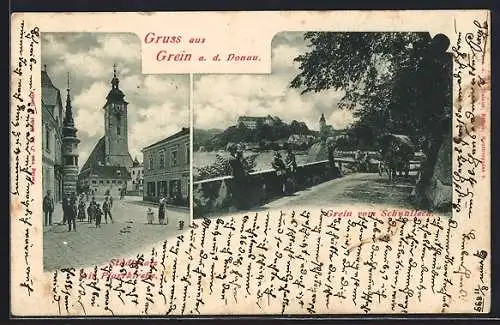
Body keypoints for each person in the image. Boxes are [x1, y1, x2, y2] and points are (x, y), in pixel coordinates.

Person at [227, 143, 248, 210]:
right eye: (234, 149)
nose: (236, 150)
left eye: (235, 149)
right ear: (231, 150)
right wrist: (240, 157)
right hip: (237, 176)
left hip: (238, 176)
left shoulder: (233, 157)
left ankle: (242, 205)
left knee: (241, 191)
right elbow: (240, 165)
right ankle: (242, 206)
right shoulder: (232, 158)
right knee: (240, 191)